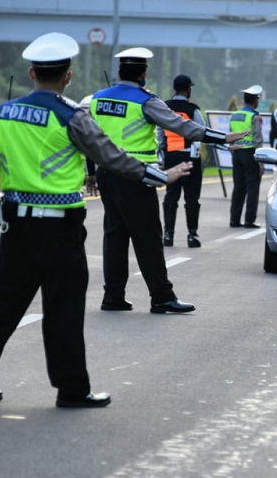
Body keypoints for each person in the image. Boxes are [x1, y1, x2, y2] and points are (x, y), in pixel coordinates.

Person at [0, 34, 192, 408]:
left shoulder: (4, 113)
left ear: (31, 73)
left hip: (15, 225)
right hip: (59, 228)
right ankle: (72, 389)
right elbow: (113, 157)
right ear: (67, 76)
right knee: (63, 306)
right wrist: (163, 176)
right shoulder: (71, 116)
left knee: (3, 303)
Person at [90, 48, 247, 313]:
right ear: (143, 73)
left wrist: (91, 171)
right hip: (135, 175)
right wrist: (222, 138)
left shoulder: (98, 99)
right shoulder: (146, 101)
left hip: (107, 174)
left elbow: (90, 136)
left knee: (115, 236)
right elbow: (182, 126)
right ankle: (162, 296)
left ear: (119, 72)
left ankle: (113, 296)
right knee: (148, 237)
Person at [158, 75, 205, 248]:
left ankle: (168, 235)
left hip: (171, 156)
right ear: (188, 89)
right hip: (190, 157)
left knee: (171, 195)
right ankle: (192, 235)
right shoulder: (193, 109)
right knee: (191, 197)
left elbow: (160, 132)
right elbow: (201, 132)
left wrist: (164, 150)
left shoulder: (165, 107)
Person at [229, 85, 265, 228]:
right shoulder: (254, 116)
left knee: (238, 187)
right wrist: (261, 162)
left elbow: (230, 135)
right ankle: (249, 220)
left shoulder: (234, 115)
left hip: (237, 153)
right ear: (255, 101)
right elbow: (257, 138)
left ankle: (234, 219)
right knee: (252, 188)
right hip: (250, 154)